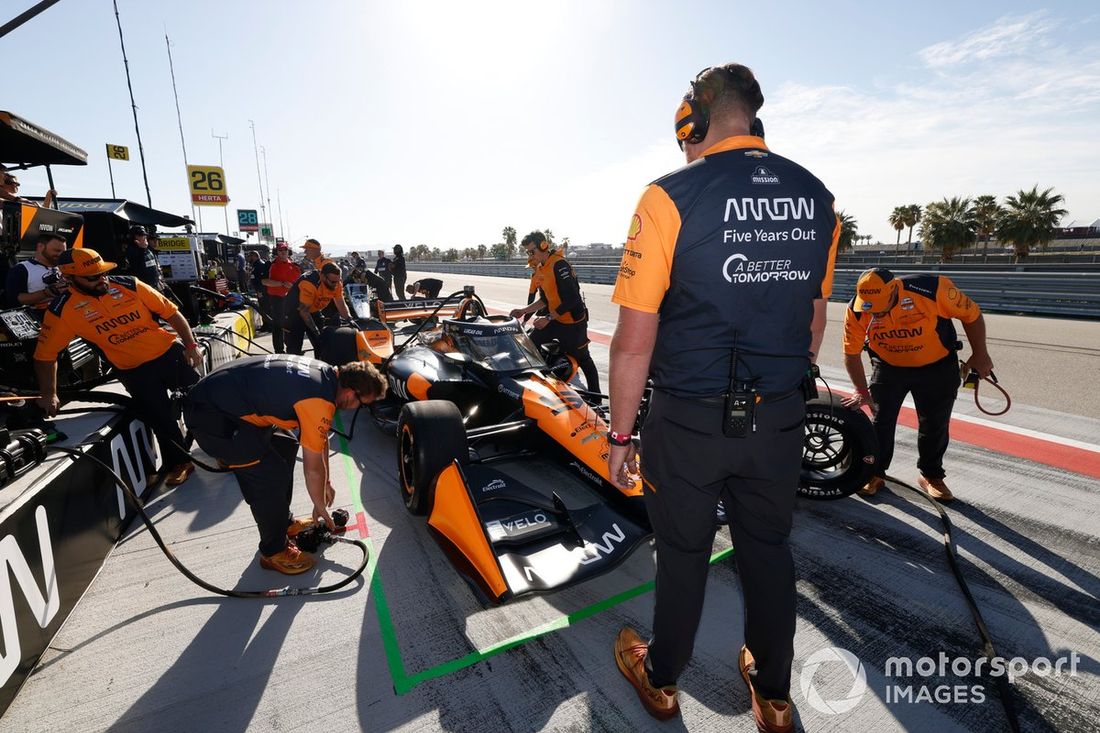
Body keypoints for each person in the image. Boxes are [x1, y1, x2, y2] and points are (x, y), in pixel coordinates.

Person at [606, 63, 839, 731]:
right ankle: (772, 692)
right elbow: (815, 319)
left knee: (683, 552)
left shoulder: (667, 195)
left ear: (699, 119)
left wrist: (621, 437)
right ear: (753, 119)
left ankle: (661, 677)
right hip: (779, 415)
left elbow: (632, 342)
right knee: (768, 547)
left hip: (689, 419)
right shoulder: (817, 196)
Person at [183, 356, 385, 573]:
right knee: (269, 475)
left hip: (223, 402)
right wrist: (319, 505)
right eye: (361, 404)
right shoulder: (319, 400)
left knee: (286, 442)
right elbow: (312, 468)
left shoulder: (326, 373)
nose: (357, 408)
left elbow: (319, 438)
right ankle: (273, 551)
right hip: (212, 419)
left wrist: (326, 482)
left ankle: (282, 523)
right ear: (349, 392)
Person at [34, 248, 203, 486]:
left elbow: (172, 313)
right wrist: (49, 394)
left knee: (203, 400)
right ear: (69, 278)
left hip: (169, 355)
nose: (101, 279)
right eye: (92, 277)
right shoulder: (62, 310)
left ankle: (225, 448)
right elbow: (44, 356)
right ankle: (179, 463)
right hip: (133, 370)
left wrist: (191, 345)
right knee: (160, 418)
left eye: (103, 273)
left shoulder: (130, 284)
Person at [841, 267, 993, 502]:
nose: (875, 312)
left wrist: (980, 354)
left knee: (935, 423)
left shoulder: (933, 290)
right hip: (888, 367)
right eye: (870, 305)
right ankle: (874, 472)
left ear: (894, 290)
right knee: (880, 420)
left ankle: (932, 475)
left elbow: (971, 315)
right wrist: (861, 391)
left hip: (937, 367)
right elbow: (851, 354)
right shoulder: (857, 309)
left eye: (880, 304)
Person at [509, 231, 601, 398]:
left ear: (544, 246)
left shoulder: (559, 265)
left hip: (573, 323)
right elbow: (544, 300)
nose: (530, 255)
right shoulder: (541, 268)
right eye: (527, 252)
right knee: (531, 345)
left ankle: (597, 397)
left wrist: (548, 318)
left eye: (532, 251)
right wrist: (524, 311)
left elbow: (572, 299)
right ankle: (544, 389)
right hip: (556, 320)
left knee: (583, 359)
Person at [284, 262, 352, 356]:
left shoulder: (335, 282)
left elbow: (340, 302)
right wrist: (315, 331)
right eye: (333, 282)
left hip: (313, 309)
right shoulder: (309, 283)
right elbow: (304, 311)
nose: (335, 285)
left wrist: (350, 319)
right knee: (295, 346)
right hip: (295, 311)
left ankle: (321, 365)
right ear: (323, 276)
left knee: (322, 344)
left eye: (338, 281)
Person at [4, 232, 68, 311]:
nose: (61, 255)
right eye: (57, 250)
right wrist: (46, 293)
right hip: (36, 318)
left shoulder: (66, 268)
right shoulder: (21, 269)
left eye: (63, 252)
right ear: (40, 247)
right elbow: (14, 300)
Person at [261, 243, 300, 353]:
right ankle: (279, 350)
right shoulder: (270, 264)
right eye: (280, 250)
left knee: (291, 324)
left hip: (292, 300)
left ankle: (292, 349)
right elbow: (264, 281)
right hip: (277, 299)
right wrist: (282, 283)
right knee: (278, 325)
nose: (283, 252)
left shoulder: (295, 265)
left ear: (289, 251)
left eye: (285, 250)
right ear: (276, 252)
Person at [124, 225, 164, 291]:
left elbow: (154, 267)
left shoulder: (147, 249)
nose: (144, 237)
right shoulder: (131, 250)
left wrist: (159, 283)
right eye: (141, 235)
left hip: (156, 286)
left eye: (144, 235)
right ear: (134, 237)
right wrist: (142, 250)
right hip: (144, 288)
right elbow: (137, 267)